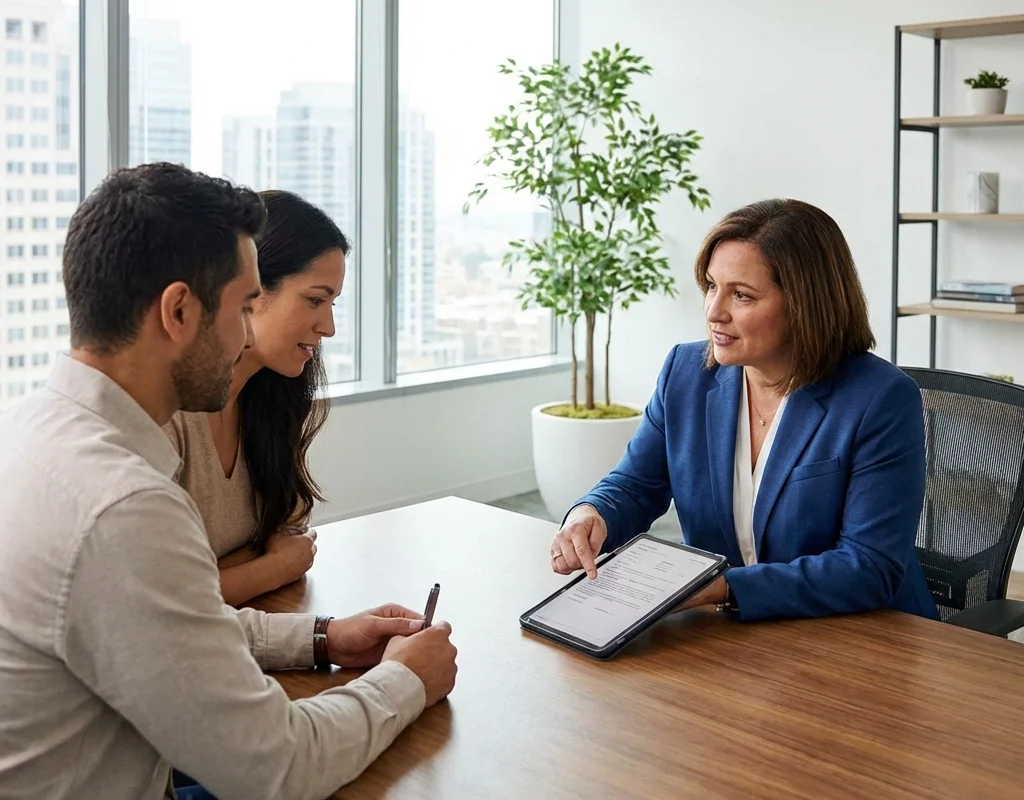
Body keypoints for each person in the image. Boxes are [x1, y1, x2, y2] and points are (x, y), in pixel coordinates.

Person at [0, 163, 458, 800]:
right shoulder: (125, 507)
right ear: (180, 311)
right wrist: (406, 680)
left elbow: (167, 625)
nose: (247, 332)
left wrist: (323, 637)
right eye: (244, 306)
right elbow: (282, 767)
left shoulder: (27, 432)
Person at [549, 198, 939, 622]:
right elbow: (636, 484)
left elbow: (869, 566)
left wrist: (723, 587)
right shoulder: (685, 373)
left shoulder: (880, 399)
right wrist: (592, 513)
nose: (714, 312)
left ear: (804, 305)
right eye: (712, 286)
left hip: (863, 636)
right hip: (732, 637)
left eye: (742, 295)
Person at [164, 189, 346, 606]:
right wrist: (271, 567)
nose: (329, 327)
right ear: (251, 288)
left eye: (332, 303)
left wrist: (227, 573)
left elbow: (290, 533)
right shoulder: (169, 415)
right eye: (315, 300)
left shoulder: (271, 396)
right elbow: (167, 599)